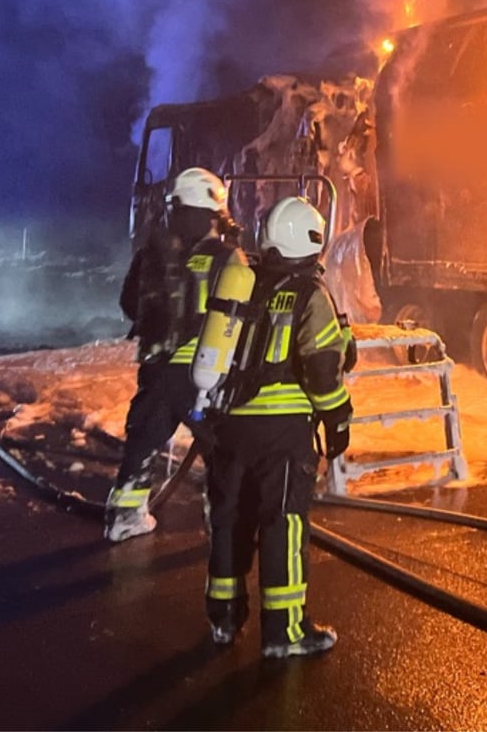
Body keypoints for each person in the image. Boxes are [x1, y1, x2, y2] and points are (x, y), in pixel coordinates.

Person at [203, 195, 352, 659]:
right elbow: (323, 370)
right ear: (311, 239)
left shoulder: (245, 283)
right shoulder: (311, 293)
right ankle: (285, 632)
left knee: (229, 519)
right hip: (281, 432)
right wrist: (338, 418)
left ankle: (223, 619)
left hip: (229, 424)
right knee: (282, 522)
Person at [106, 167, 244, 542]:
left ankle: (125, 517)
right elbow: (241, 315)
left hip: (154, 367)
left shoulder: (152, 254)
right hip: (201, 372)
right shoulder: (226, 257)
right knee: (223, 449)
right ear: (211, 213)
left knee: (144, 441)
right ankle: (222, 520)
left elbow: (128, 304)